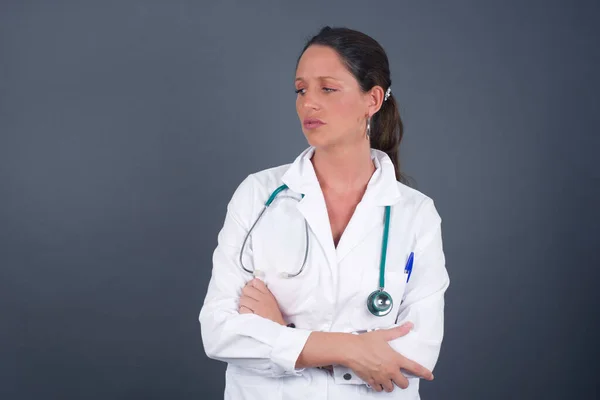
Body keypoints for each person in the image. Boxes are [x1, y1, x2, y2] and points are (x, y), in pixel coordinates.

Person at [199, 26, 450, 399]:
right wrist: (352, 350)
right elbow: (219, 332)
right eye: (301, 90)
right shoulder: (259, 195)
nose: (308, 103)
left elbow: (414, 356)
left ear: (373, 99)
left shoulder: (415, 214)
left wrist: (285, 339)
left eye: (327, 89)